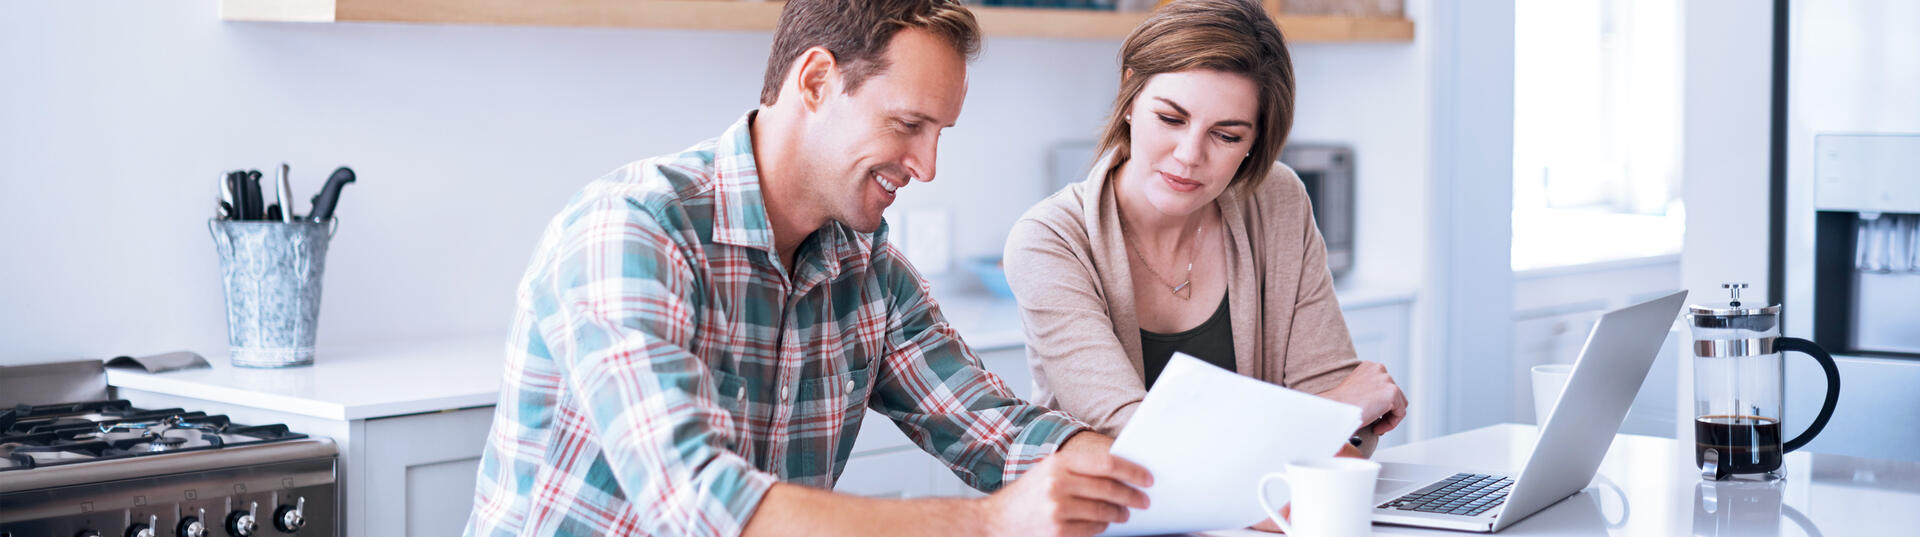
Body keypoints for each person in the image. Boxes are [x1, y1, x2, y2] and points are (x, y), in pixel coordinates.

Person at [464, 1, 1151, 536]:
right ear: (817, 80)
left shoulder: (869, 268)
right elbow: (699, 502)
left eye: (939, 134)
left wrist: (1142, 470)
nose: (927, 166)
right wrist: (991, 521)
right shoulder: (636, 230)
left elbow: (996, 429)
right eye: (908, 125)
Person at [1003, 0, 1408, 453]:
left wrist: (1338, 412)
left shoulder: (1277, 201)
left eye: (1227, 135)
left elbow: (1353, 438)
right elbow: (1138, 443)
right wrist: (1334, 410)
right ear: (1130, 94)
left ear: (1255, 143)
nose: (1189, 155)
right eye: (1171, 119)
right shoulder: (1049, 240)